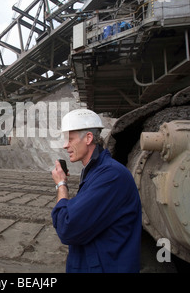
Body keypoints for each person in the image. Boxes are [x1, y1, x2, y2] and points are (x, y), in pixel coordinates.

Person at [51, 109, 142, 273]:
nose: (65, 145)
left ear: (88, 138)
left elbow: (67, 227)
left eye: (70, 139)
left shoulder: (110, 176)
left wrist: (61, 184)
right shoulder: (96, 172)